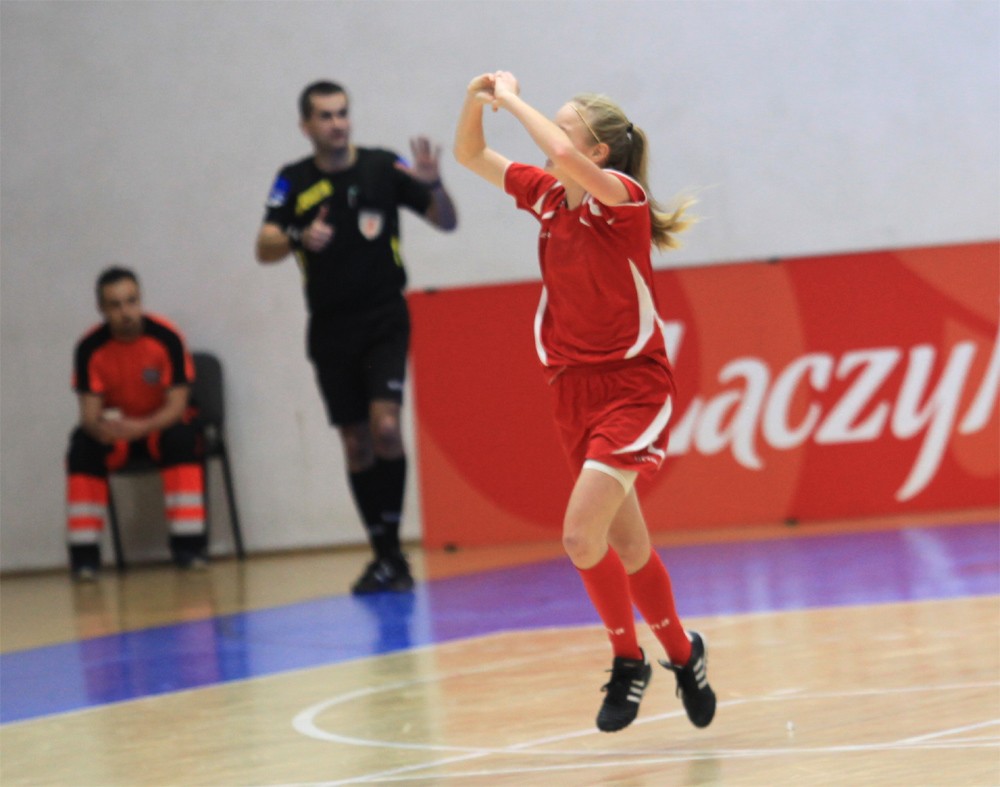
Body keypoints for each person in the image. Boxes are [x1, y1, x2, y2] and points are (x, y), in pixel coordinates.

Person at [454, 72, 716, 732]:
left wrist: (513, 99)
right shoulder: (548, 199)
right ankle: (684, 653)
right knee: (626, 543)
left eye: (562, 122)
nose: (549, 134)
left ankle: (628, 659)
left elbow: (561, 153)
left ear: (598, 151)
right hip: (571, 388)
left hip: (632, 387)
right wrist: (476, 101)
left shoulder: (621, 199)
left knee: (578, 535)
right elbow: (470, 154)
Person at [256, 80, 457, 595]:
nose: (337, 123)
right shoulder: (294, 180)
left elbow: (447, 222)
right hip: (330, 327)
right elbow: (265, 243)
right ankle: (385, 555)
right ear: (306, 126)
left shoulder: (382, 166)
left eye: (342, 113)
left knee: (385, 427)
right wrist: (299, 235)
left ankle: (392, 553)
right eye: (325, 116)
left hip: (384, 317)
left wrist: (434, 185)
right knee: (356, 442)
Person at [66, 267, 207, 580]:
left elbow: (177, 406)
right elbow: (88, 415)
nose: (126, 312)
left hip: (160, 427)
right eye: (115, 305)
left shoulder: (167, 337)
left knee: (183, 438)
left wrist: (140, 427)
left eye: (132, 301)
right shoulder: (89, 348)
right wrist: (103, 429)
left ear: (141, 300)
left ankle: (190, 549)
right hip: (117, 435)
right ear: (102, 309)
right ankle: (85, 560)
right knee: (82, 447)